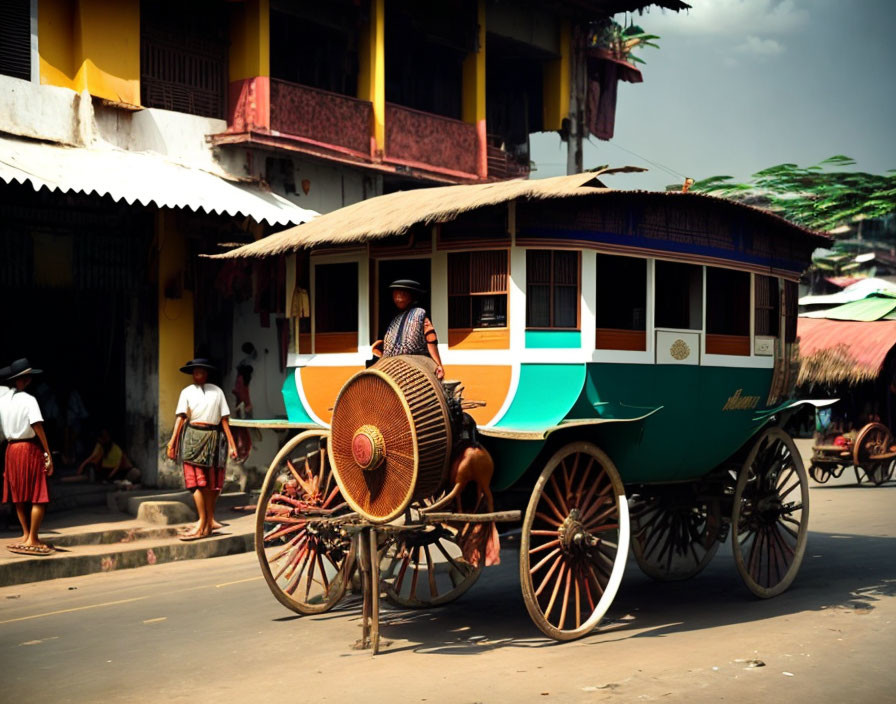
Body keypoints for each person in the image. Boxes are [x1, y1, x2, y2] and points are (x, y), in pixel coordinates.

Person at [166, 358, 237, 541]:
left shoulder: (217, 391)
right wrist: (172, 443)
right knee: (196, 483)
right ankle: (203, 522)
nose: (199, 375)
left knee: (212, 484)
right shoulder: (187, 392)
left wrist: (232, 444)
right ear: (192, 374)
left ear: (206, 374)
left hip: (213, 437)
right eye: (196, 372)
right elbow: (181, 418)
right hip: (192, 437)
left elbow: (224, 420)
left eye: (202, 372)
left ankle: (207, 523)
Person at [0, 359, 55, 556]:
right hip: (28, 449)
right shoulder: (29, 400)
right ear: (26, 380)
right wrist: (48, 452)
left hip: (11, 450)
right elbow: (37, 425)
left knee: (19, 495)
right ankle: (33, 537)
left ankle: (25, 534)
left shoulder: (4, 401)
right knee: (38, 494)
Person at [372, 279, 445, 379]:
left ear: (411, 297)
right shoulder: (395, 319)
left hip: (415, 356)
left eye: (402, 293)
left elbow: (430, 338)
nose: (398, 297)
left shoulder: (419, 313)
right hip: (391, 360)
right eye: (395, 293)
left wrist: (438, 364)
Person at [74, 428, 140, 484]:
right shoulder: (101, 445)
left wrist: (109, 478)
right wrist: (82, 466)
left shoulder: (116, 449)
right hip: (107, 470)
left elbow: (117, 467)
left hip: (120, 472)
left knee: (135, 473)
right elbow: (93, 456)